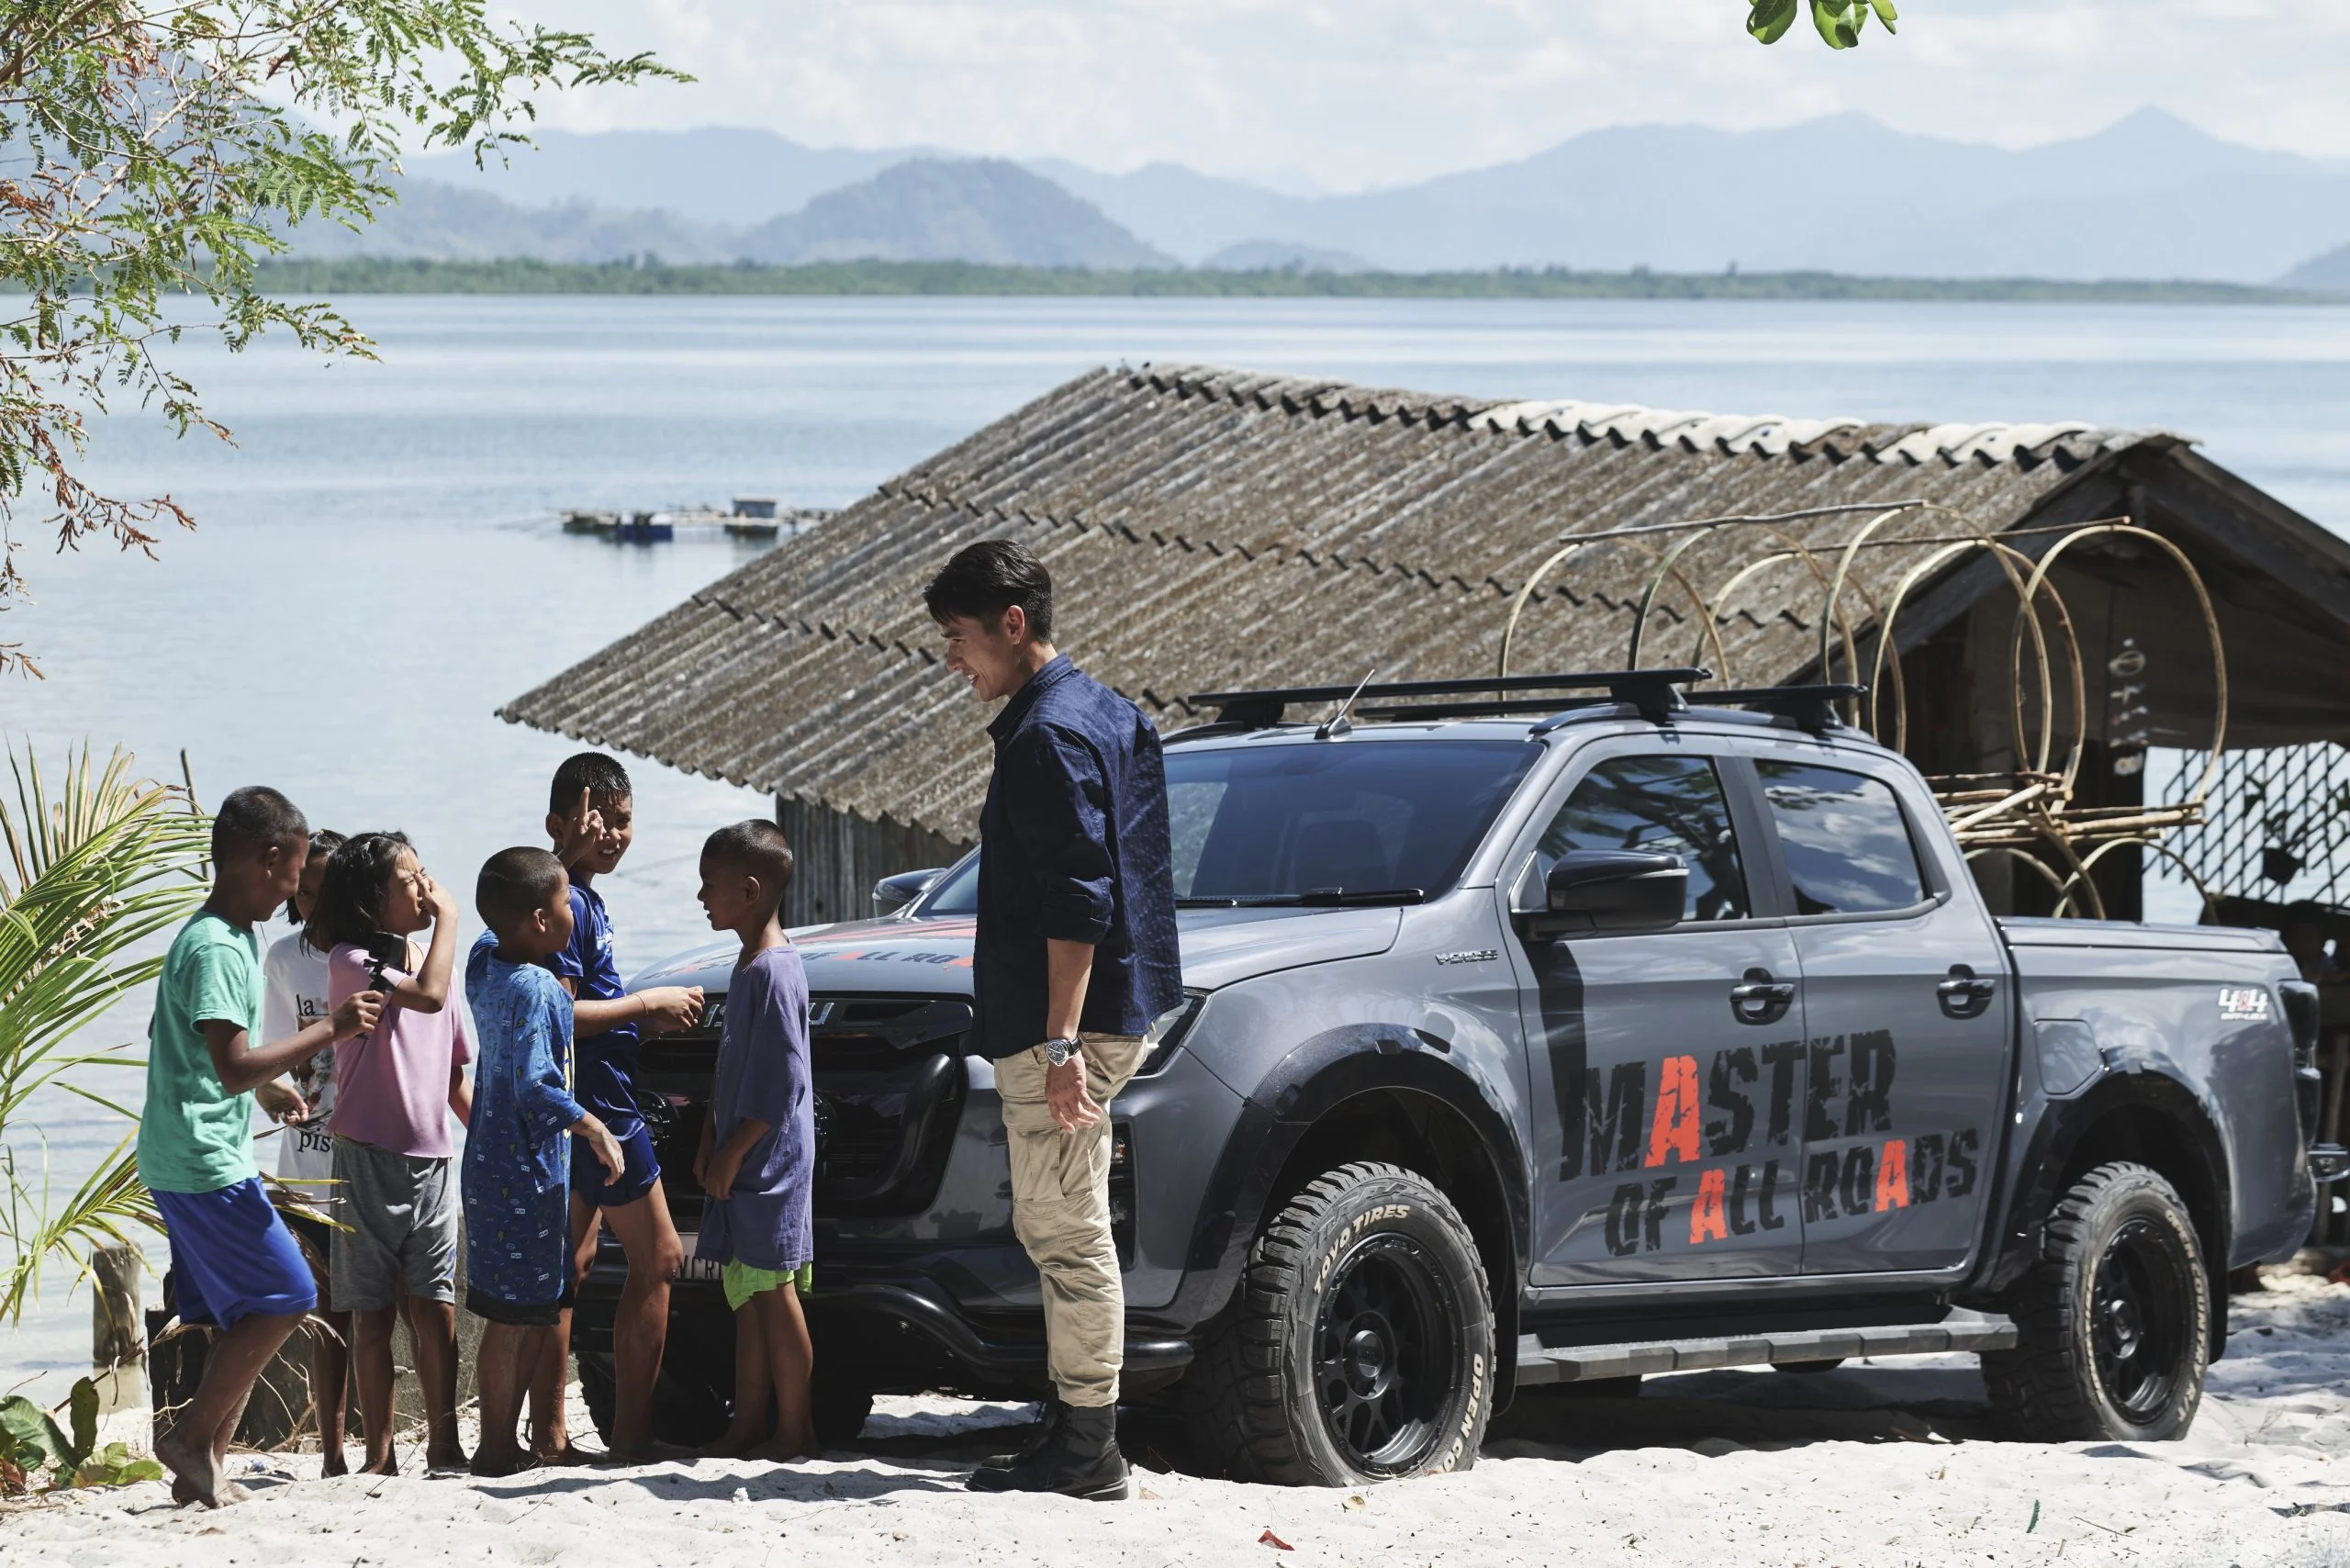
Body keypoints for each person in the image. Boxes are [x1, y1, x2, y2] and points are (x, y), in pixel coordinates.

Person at [924, 540, 1181, 1501]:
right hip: (1120, 1001)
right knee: (1067, 1224)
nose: (952, 659)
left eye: (959, 638)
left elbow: (1080, 900)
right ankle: (1075, 1424)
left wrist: (1063, 1041)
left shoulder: (1047, 737)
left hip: (1063, 1026)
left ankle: (1088, 1447)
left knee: (1066, 1231)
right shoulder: (1111, 711)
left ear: (1012, 624)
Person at [138, 787, 381, 1508]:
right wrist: (333, 1028)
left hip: (189, 1150)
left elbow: (179, 1040)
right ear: (270, 858)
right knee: (289, 1295)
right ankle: (191, 1440)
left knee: (238, 1310)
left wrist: (267, 1090)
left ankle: (203, 1465)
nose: (296, 894)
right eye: (296, 874)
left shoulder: (229, 935)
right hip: (201, 1160)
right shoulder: (218, 946)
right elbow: (233, 1065)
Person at [533, 752, 704, 1462]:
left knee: (566, 1271)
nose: (612, 835)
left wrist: (642, 1023)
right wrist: (644, 1003)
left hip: (583, 1105)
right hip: (600, 1111)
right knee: (659, 1257)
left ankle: (551, 1434)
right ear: (558, 825)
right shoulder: (566, 905)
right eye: (596, 820)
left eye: (623, 821)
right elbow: (558, 1016)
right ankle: (630, 1436)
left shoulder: (583, 899)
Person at [311, 831, 474, 1474]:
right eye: (410, 880)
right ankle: (380, 1455)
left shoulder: (437, 962)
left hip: (431, 1159)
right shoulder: (351, 961)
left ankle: (444, 1443)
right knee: (371, 1313)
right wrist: (451, 918)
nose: (426, 889)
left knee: (435, 1309)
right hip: (365, 1159)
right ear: (370, 899)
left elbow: (454, 1071)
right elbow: (426, 996)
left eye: (425, 874)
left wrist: (486, 1134)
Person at [462, 846, 627, 1477]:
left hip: (486, 1165)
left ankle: (507, 1442)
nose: (572, 912)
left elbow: (500, 912)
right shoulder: (533, 986)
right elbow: (536, 1087)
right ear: (537, 919)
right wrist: (594, 1128)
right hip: (525, 1171)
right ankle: (495, 1446)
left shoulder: (484, 962)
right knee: (513, 1319)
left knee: (523, 1310)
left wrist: (559, 860)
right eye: (563, 903)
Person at [690, 821, 819, 1462]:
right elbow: (732, 1066)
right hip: (740, 1153)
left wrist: (734, 1152)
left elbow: (782, 1082)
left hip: (770, 1162)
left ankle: (795, 1427)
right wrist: (709, 1139)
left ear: (749, 890)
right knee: (746, 1295)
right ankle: (747, 1425)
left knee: (773, 1291)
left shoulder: (774, 971)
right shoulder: (746, 965)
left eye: (709, 886)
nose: (701, 897)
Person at [256, 828, 352, 1474]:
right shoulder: (284, 959)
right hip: (307, 1163)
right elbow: (268, 1056)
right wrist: (273, 1093)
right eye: (309, 892)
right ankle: (334, 1448)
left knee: (381, 1305)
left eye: (331, 891)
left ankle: (389, 1445)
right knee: (325, 1309)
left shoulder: (376, 956)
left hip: (369, 1157)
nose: (317, 905)